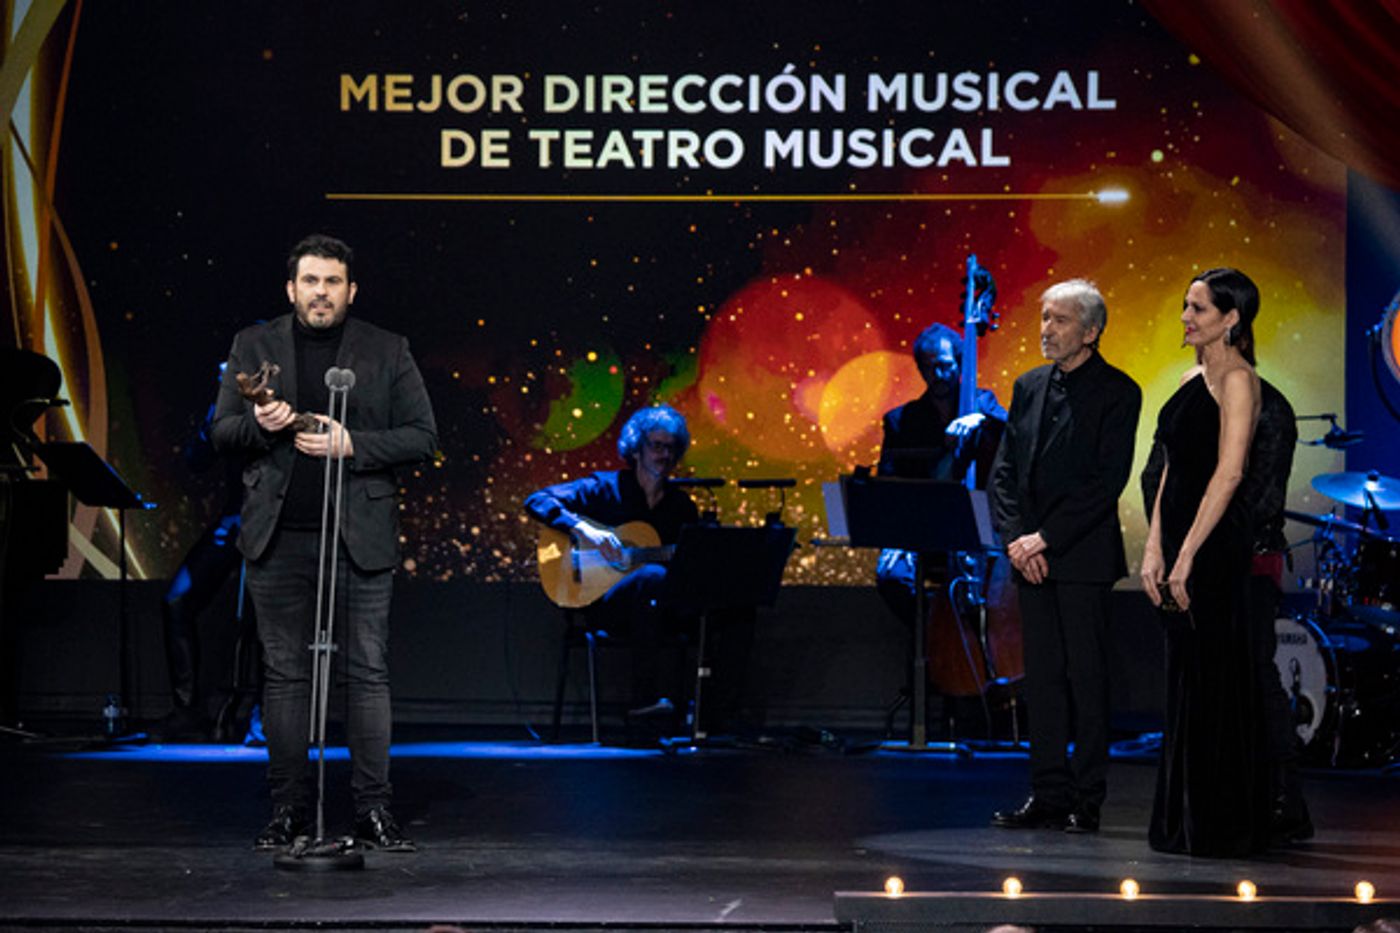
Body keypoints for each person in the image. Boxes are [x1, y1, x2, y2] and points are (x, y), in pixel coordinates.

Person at [212, 234, 437, 852]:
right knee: (285, 677)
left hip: (357, 538)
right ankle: (286, 809)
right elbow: (221, 432)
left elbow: (423, 436)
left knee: (367, 673)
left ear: (350, 290)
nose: (320, 292)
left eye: (332, 282)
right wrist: (258, 424)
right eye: (310, 281)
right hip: (277, 538)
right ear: (291, 289)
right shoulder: (252, 346)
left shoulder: (387, 350)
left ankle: (372, 811)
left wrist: (352, 445)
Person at [988, 279, 1141, 834]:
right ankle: (1047, 793)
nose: (1045, 330)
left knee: (1085, 678)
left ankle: (1087, 797)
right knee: (1043, 680)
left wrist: (1045, 538)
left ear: (1091, 331)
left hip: (1080, 558)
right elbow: (1003, 473)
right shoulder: (1028, 386)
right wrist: (1016, 539)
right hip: (1030, 558)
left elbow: (1106, 482)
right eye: (1044, 318)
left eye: (1058, 320)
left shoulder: (1119, 393)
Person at [1142, 375, 1313, 847]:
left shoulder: (1265, 401)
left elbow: (1258, 493)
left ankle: (1282, 798)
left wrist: (1208, 548)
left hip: (1242, 561)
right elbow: (1160, 471)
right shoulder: (1190, 396)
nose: (1187, 320)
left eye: (1199, 309)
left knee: (1255, 674)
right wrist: (1164, 546)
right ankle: (1207, 803)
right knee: (1200, 683)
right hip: (1190, 559)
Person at [1141, 267, 1271, 856]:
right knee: (1185, 681)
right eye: (1185, 305)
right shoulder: (1197, 375)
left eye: (1198, 308)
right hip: (1180, 543)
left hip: (1216, 546)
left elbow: (1231, 471)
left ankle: (1216, 825)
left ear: (1231, 318)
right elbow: (1172, 467)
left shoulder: (1239, 379)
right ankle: (1182, 823)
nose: (1186, 317)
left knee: (1214, 681)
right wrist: (1154, 546)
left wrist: (1188, 554)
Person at [526, 405, 750, 733]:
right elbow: (537, 500)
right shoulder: (604, 487)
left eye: (671, 448)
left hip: (662, 605)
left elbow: (687, 568)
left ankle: (713, 713)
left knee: (739, 606)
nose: (665, 455)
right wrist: (584, 530)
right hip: (604, 604)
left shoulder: (681, 507)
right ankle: (643, 703)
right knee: (650, 577)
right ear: (637, 448)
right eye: (657, 446)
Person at [151, 365, 258, 743]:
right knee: (177, 600)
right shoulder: (227, 409)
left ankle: (265, 714)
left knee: (267, 617)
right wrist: (216, 410)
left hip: (276, 524)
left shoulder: (283, 404)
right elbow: (197, 461)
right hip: (232, 522)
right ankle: (187, 709)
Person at [874, 322, 1007, 625]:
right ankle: (933, 633)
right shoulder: (900, 420)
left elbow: (1014, 435)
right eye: (929, 368)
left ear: (959, 363)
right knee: (890, 577)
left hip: (978, 526)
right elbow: (887, 479)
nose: (938, 375)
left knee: (992, 589)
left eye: (945, 366)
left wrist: (980, 420)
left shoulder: (982, 402)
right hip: (922, 527)